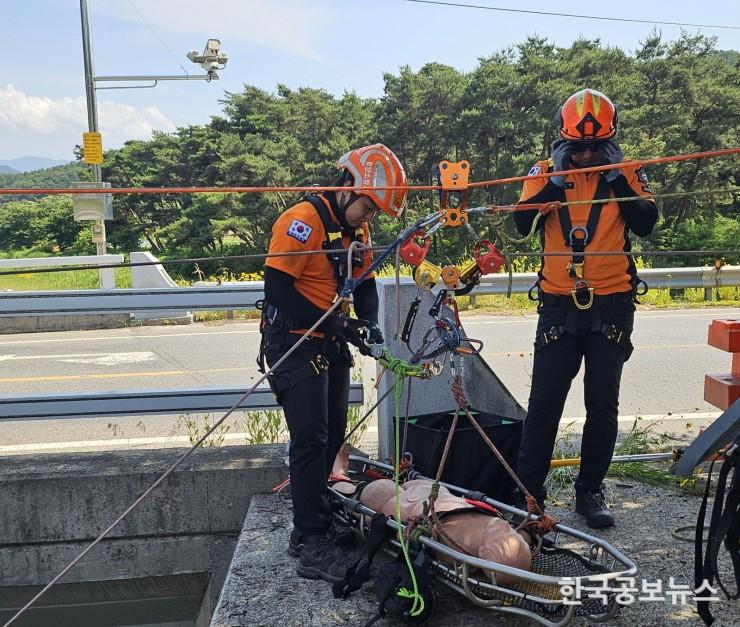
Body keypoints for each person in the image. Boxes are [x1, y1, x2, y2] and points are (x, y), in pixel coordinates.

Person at [258, 144, 407, 583]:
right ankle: (311, 541)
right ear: (348, 188)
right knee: (310, 438)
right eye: (368, 206)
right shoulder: (300, 222)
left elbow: (364, 284)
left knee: (334, 436)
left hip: (329, 339)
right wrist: (339, 327)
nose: (369, 217)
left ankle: (314, 521)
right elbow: (278, 291)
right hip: (294, 341)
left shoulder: (354, 233)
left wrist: (370, 326)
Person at [513, 89, 659, 529]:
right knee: (544, 405)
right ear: (563, 142)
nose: (588, 154)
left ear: (612, 143)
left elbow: (646, 223)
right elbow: (521, 225)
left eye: (598, 147)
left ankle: (589, 490)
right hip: (559, 306)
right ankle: (529, 496)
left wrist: (613, 173)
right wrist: (556, 180)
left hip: (612, 305)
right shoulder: (543, 173)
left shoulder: (627, 172)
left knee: (602, 404)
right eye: (580, 148)